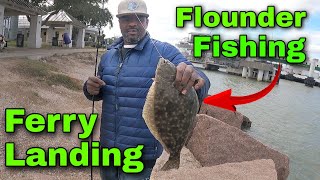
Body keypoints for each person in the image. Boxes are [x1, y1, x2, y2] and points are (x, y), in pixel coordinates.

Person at [83, 0, 211, 179]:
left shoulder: (164, 52)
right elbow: (98, 92)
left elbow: (199, 82)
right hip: (108, 148)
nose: (133, 23)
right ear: (119, 22)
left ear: (147, 22)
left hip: (141, 155)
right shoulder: (108, 56)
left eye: (139, 18)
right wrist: (89, 89)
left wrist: (196, 77)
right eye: (126, 18)